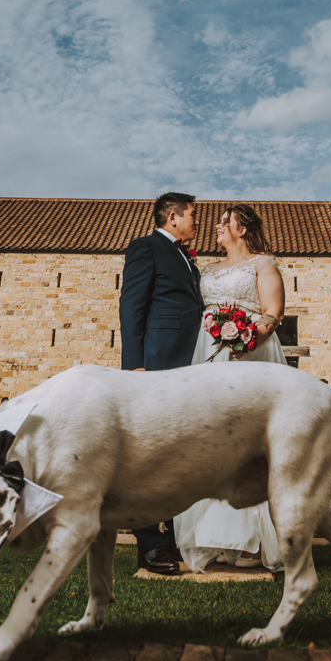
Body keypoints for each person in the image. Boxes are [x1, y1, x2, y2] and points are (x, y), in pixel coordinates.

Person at [173, 203, 288, 573]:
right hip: (208, 354)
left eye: (226, 221)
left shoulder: (263, 264)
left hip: (249, 355)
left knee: (247, 444)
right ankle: (214, 537)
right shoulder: (206, 269)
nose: (218, 225)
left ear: (244, 228)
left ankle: (254, 541)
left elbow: (273, 312)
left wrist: (247, 338)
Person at [119, 191, 202, 575]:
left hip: (186, 363)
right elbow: (131, 304)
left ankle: (168, 536)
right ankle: (149, 544)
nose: (196, 222)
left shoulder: (186, 257)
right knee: (147, 454)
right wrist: (134, 364)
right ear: (172, 217)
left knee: (172, 453)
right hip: (155, 361)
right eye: (192, 216)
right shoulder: (146, 247)